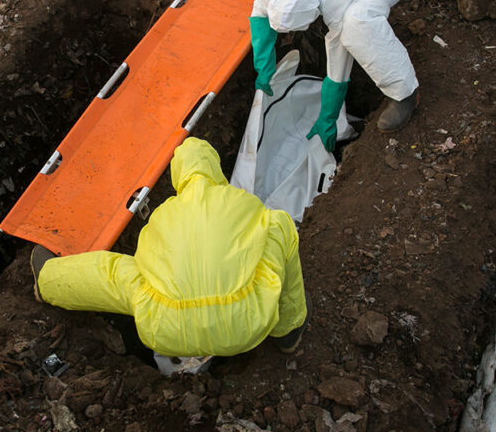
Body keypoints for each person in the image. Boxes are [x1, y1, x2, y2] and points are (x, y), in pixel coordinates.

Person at [30, 137, 307, 357]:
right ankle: (289, 332)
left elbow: (150, 252)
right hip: (249, 322)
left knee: (116, 275)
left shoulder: (167, 211)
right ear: (215, 169)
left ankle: (47, 281)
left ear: (179, 175)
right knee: (279, 230)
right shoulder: (235, 200)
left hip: (163, 328)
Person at [250, 0, 436, 149]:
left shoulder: (337, 1)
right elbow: (260, 7)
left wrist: (328, 117)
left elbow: (338, 64)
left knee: (356, 22)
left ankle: (405, 93)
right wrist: (263, 66)